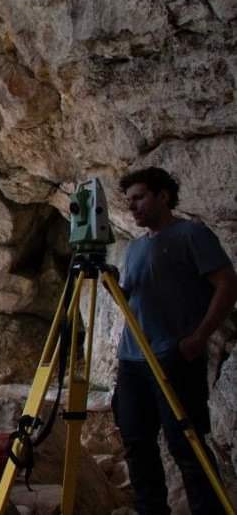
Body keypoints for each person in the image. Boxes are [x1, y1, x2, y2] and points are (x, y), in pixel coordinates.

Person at [114, 167, 237, 515]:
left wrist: (199, 337)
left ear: (163, 196)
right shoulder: (136, 248)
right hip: (133, 360)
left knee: (188, 445)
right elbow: (134, 301)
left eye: (139, 197)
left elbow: (227, 284)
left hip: (173, 357)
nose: (133, 206)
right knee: (137, 444)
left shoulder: (191, 234)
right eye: (129, 201)